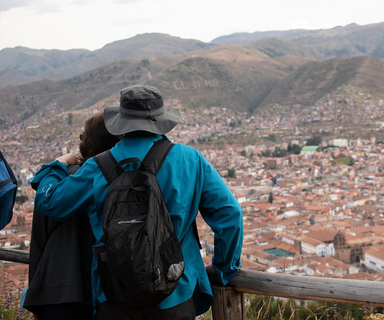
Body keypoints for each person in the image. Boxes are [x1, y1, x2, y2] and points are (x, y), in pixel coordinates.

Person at [31, 84, 243, 320]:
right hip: (176, 292)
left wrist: (56, 167)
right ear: (160, 120)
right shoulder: (189, 159)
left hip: (115, 295)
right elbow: (230, 215)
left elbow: (49, 201)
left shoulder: (98, 166)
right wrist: (224, 268)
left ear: (121, 122)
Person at [25, 113, 121, 320]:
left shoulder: (67, 180)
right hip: (111, 291)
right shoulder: (123, 179)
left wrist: (58, 164)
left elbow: (39, 238)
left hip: (60, 288)